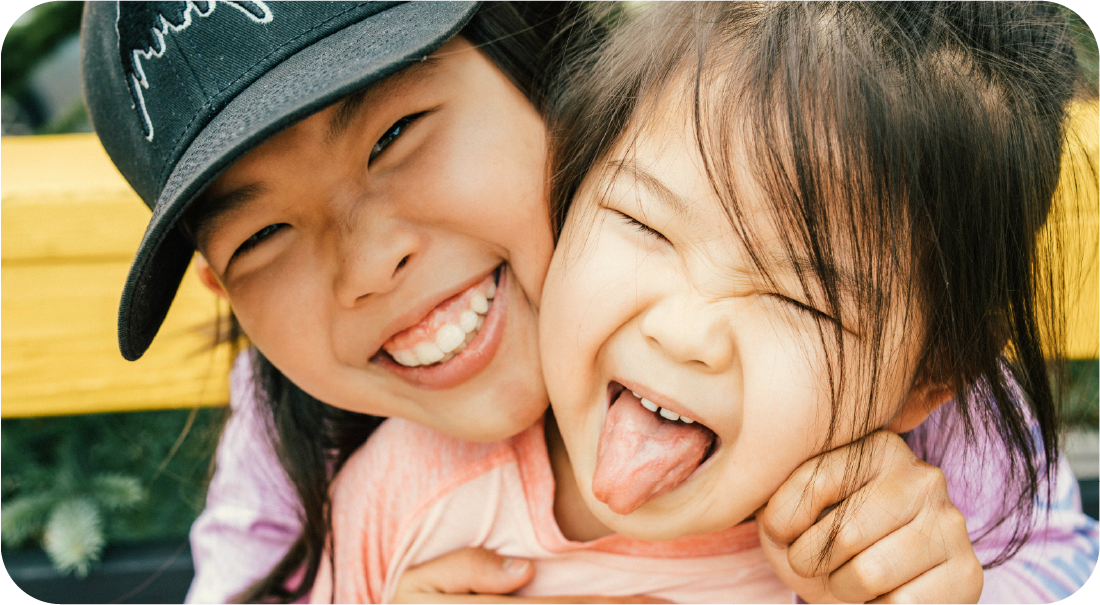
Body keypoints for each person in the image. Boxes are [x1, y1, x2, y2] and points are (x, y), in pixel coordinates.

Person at [78, 0, 1098, 603]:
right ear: (224, 288)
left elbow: (1046, 557)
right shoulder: (316, 435)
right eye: (260, 233)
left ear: (552, 75)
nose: (370, 262)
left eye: (395, 135)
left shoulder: (903, 386)